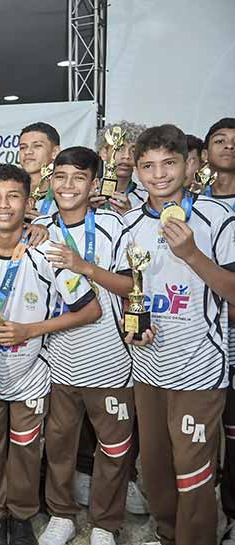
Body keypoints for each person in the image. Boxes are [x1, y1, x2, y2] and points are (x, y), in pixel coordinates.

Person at [0, 163, 102, 545]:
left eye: (13, 196)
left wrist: (31, 330)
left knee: (26, 449)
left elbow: (89, 309)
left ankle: (21, 515)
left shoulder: (48, 252)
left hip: (31, 372)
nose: (4, 205)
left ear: (28, 202)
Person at [119, 124, 235, 545]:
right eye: (147, 166)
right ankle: (168, 535)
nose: (158, 174)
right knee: (156, 466)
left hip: (199, 370)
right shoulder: (129, 223)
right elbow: (124, 285)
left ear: (190, 164)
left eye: (169, 163)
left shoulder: (218, 219)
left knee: (193, 469)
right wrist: (131, 325)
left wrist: (190, 254)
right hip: (148, 369)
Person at [32, 147, 136, 545]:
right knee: (59, 445)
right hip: (58, 361)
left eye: (79, 177)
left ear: (94, 184)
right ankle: (62, 514)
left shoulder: (115, 225)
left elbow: (133, 287)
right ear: (50, 180)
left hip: (111, 359)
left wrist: (85, 266)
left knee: (114, 447)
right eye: (60, 176)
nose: (68, 185)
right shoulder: (39, 228)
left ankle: (105, 523)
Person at [202, 117, 235, 545]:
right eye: (220, 141)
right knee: (203, 438)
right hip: (201, 342)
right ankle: (204, 518)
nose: (228, 147)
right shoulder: (191, 206)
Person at [94, 121, 148, 213]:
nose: (126, 156)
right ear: (103, 153)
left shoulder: (147, 198)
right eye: (119, 148)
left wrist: (129, 214)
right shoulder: (88, 193)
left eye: (133, 150)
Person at [19, 122, 61, 220]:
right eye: (23, 147)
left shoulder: (64, 191)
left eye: (37, 146)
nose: (28, 152)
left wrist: (48, 224)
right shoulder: (6, 190)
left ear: (54, 152)